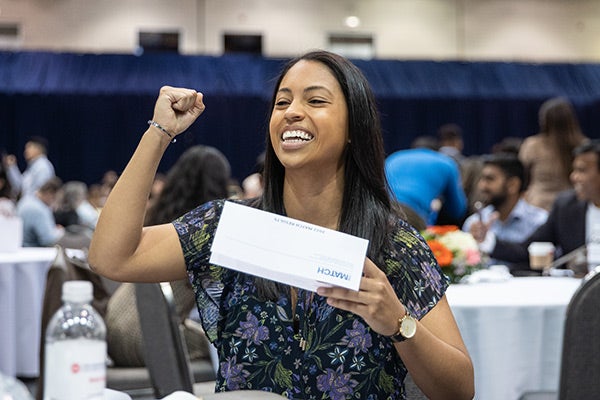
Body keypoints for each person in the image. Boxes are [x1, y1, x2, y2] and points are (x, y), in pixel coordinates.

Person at [89, 50, 474, 399]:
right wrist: (159, 134)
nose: (291, 111)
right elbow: (112, 258)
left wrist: (398, 322)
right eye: (282, 102)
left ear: (354, 128)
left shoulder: (392, 244)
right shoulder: (231, 225)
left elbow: (460, 390)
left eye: (316, 100)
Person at [105, 145, 229, 367]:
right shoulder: (210, 231)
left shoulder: (158, 216)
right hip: (147, 339)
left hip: (113, 324)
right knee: (230, 346)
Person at [478, 140, 600, 274]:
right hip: (581, 291)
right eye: (574, 170)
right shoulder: (566, 208)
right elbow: (526, 251)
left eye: (582, 170)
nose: (573, 177)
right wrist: (488, 241)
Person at [463, 153, 548, 269]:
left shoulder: (539, 221)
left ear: (512, 185)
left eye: (489, 179)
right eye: (481, 179)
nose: (481, 186)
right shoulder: (473, 223)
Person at [519, 97, 588, 211]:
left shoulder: (532, 145)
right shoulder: (584, 145)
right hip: (573, 207)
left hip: (538, 206)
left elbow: (520, 176)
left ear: (544, 121)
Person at [385, 135, 467, 226]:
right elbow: (457, 210)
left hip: (382, 210)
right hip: (412, 215)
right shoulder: (446, 163)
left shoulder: (394, 158)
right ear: (437, 152)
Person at [17, 177, 64, 247]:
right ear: (50, 193)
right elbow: (48, 240)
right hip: (33, 251)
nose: (54, 204)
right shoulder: (40, 210)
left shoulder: (25, 200)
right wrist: (60, 232)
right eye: (55, 199)